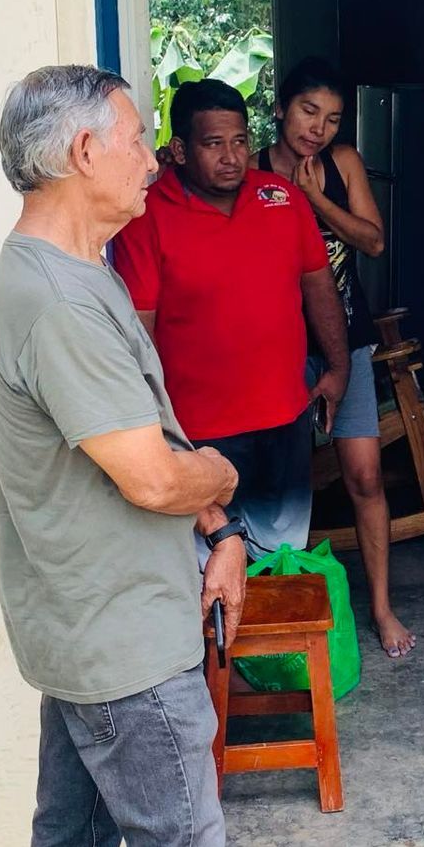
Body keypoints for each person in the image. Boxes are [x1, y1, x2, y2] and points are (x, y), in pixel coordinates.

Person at [0, 65, 245, 847]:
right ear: (85, 150)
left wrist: (220, 530)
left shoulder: (73, 275)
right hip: (126, 652)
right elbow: (154, 474)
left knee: (72, 840)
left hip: (89, 634)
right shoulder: (59, 302)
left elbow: (136, 438)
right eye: (138, 139)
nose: (155, 160)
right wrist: (221, 473)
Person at [112, 78, 350, 563]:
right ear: (179, 150)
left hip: (285, 416)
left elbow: (319, 286)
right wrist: (156, 427)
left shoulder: (282, 199)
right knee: (212, 567)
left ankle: (279, 643)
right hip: (199, 433)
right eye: (213, 144)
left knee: (286, 560)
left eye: (239, 141)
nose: (231, 157)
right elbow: (139, 331)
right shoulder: (146, 217)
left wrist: (339, 367)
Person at [255, 58, 413, 658]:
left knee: (366, 477)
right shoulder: (249, 171)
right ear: (280, 108)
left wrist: (315, 200)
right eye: (307, 111)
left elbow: (372, 241)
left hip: (347, 342)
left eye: (332, 118)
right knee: (280, 487)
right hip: (276, 353)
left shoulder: (341, 166)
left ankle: (380, 606)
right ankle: (273, 615)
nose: (317, 128)